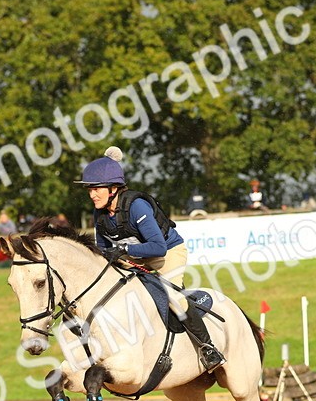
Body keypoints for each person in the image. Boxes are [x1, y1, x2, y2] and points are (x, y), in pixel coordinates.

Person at [74, 146, 225, 372]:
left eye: (96, 189)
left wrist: (123, 249)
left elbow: (158, 247)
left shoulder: (136, 206)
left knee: (174, 297)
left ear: (113, 188)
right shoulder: (100, 213)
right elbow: (103, 250)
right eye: (90, 190)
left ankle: (208, 347)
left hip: (168, 252)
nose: (92, 195)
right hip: (134, 256)